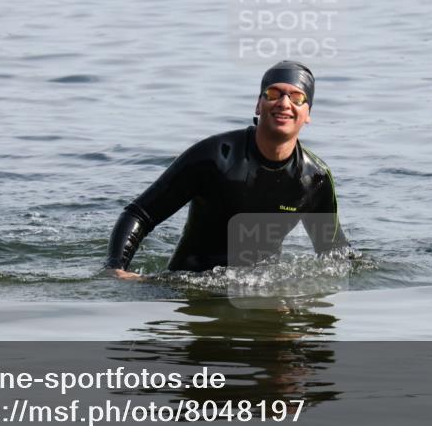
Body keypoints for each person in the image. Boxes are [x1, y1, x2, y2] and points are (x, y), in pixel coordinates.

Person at [105, 61, 349, 279]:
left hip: (259, 290)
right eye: (274, 93)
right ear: (258, 105)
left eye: (297, 98)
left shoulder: (313, 179)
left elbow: (334, 255)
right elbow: (140, 214)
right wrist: (116, 269)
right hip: (186, 287)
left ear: (308, 114)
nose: (284, 103)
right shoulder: (215, 157)